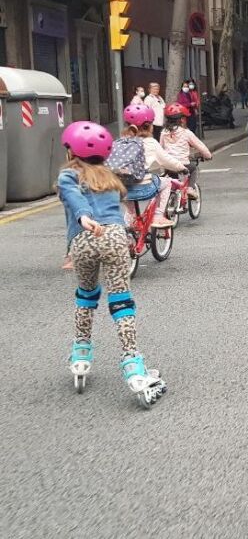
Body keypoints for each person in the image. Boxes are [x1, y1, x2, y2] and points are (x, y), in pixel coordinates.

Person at [57, 121, 167, 408]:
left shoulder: (69, 175)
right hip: (116, 238)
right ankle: (133, 363)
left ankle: (81, 353)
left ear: (71, 150)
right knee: (121, 301)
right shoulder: (110, 176)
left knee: (87, 296)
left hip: (83, 239)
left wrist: (83, 216)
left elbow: (72, 196)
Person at [118, 104, 182, 229]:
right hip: (144, 187)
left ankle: (129, 229)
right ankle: (158, 216)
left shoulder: (121, 141)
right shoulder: (150, 143)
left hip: (121, 189)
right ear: (149, 126)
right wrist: (181, 167)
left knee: (130, 208)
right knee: (166, 183)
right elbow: (166, 160)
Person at [160, 102, 213, 200]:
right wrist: (208, 155)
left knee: (173, 178)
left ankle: (172, 197)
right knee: (193, 169)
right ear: (181, 120)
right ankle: (190, 189)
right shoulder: (186, 133)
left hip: (168, 163)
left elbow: (161, 148)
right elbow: (200, 146)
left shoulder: (164, 132)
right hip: (182, 162)